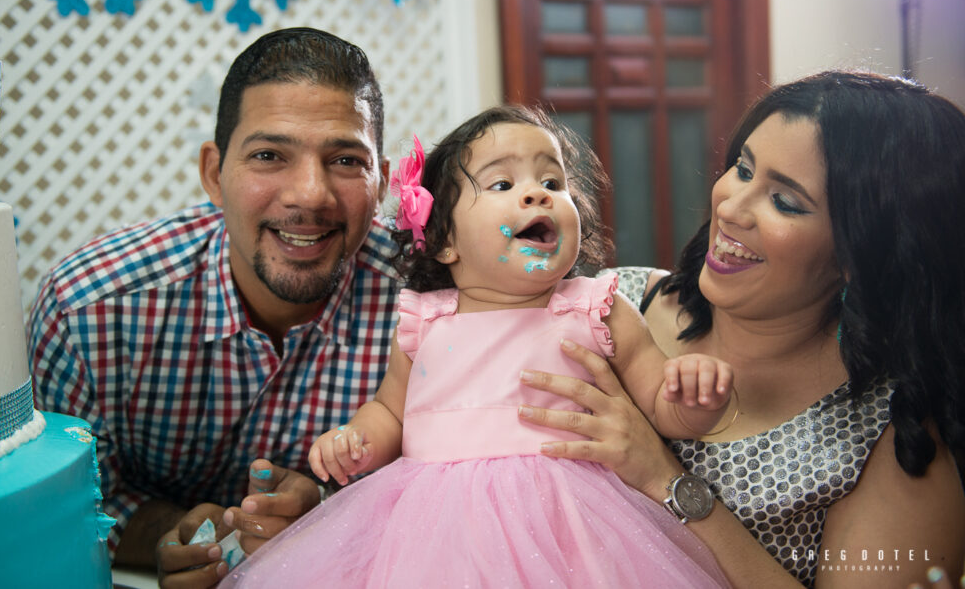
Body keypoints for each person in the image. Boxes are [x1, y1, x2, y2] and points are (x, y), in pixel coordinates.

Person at [218, 105, 736, 587]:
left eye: (551, 181)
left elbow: (659, 409)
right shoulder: (426, 322)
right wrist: (356, 441)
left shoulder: (596, 307)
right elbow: (391, 413)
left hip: (576, 524)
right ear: (444, 239)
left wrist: (690, 401)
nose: (537, 195)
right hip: (432, 532)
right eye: (503, 183)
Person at [515, 71, 965, 587]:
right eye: (743, 169)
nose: (729, 208)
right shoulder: (610, 306)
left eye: (786, 201)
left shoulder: (893, 435)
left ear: (864, 254)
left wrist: (666, 478)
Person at [27, 27, 401, 587]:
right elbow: (60, 506)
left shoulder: (437, 304)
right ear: (213, 174)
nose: (310, 195)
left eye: (346, 160)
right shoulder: (88, 310)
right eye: (269, 155)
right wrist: (167, 534)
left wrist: (328, 509)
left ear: (382, 183)